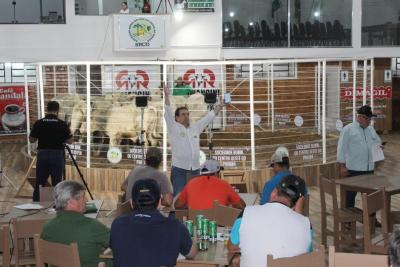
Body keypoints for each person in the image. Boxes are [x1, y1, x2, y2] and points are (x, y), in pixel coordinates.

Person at [228, 175, 312, 267]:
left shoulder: (246, 213)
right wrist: (298, 215)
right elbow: (306, 255)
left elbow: (231, 247)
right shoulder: (306, 225)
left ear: (273, 192)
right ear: (299, 202)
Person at [110, 179, 197, 267]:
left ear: (132, 203)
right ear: (160, 203)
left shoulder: (117, 225)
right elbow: (192, 253)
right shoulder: (175, 226)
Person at [163, 84, 223, 196]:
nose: (186, 116)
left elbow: (209, 117)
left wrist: (220, 105)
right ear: (176, 117)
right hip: (179, 170)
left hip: (195, 169)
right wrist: (166, 95)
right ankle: (176, 214)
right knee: (179, 198)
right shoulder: (173, 127)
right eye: (183, 114)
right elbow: (167, 111)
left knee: (195, 196)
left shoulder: (195, 127)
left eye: (187, 114)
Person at [41, 181, 110, 267]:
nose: (86, 200)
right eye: (83, 197)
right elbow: (119, 243)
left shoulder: (47, 227)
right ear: (71, 202)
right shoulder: (92, 226)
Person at [337, 105, 382, 208]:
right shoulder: (348, 129)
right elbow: (341, 148)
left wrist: (379, 147)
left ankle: (371, 219)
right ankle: (348, 221)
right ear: (360, 117)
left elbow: (378, 141)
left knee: (370, 197)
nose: (370, 121)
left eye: (370, 119)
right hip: (353, 169)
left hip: (369, 169)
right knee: (349, 197)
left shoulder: (370, 129)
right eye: (368, 119)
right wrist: (342, 166)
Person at [29, 100, 72, 201]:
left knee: (39, 182)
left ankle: (35, 205)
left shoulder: (39, 123)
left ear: (47, 109)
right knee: (57, 183)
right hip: (57, 155)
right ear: (58, 110)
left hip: (43, 155)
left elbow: (31, 140)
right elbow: (70, 141)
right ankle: (57, 207)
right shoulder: (62, 124)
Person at [175, 159, 246, 210]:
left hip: (195, 225)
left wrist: (190, 205)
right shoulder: (224, 184)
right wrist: (229, 205)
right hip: (218, 225)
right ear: (216, 173)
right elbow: (242, 206)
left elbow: (177, 205)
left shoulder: (191, 183)